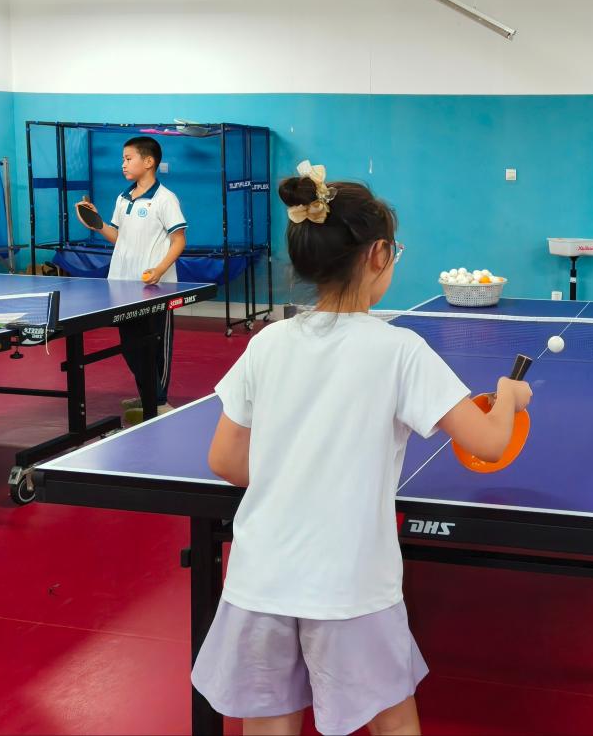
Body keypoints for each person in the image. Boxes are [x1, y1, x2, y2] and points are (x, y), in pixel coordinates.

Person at [191, 161, 533, 735]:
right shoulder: (399, 350)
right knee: (390, 722)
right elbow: (491, 443)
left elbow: (224, 460)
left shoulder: (267, 343)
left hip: (260, 577)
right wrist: (509, 396)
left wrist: (294, 473)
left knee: (268, 724)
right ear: (378, 256)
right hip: (349, 583)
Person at [76, 135, 186, 414]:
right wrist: (97, 223)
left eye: (128, 158)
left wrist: (159, 270)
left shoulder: (165, 199)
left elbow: (179, 241)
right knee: (131, 346)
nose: (123, 164)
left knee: (156, 345)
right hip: (122, 286)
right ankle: (148, 395)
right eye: (123, 159)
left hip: (156, 288)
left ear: (148, 162)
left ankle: (159, 401)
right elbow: (118, 237)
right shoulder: (122, 197)